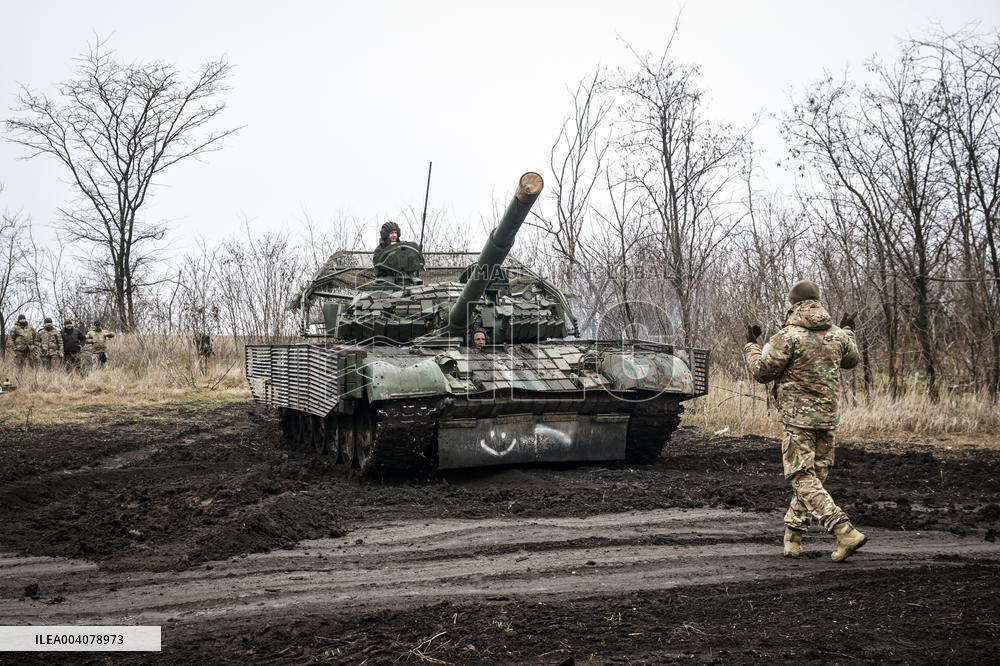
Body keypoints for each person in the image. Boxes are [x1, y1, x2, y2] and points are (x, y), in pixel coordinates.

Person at [744, 279, 866, 562]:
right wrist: (849, 331)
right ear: (818, 301)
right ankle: (793, 538)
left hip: (798, 420)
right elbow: (852, 360)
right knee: (814, 479)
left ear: (793, 304)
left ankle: (843, 529)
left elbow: (762, 372)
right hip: (827, 420)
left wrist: (751, 345)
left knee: (801, 478)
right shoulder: (837, 335)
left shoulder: (787, 336)